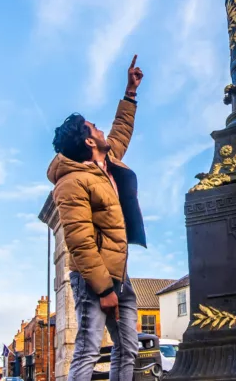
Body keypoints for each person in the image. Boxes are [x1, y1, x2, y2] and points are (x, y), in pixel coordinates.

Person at [48, 55, 146, 381]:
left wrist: (130, 92)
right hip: (93, 279)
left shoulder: (106, 161)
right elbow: (79, 241)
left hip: (120, 273)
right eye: (94, 126)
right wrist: (104, 289)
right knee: (89, 348)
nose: (101, 129)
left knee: (128, 346)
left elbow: (120, 132)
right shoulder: (71, 183)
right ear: (90, 140)